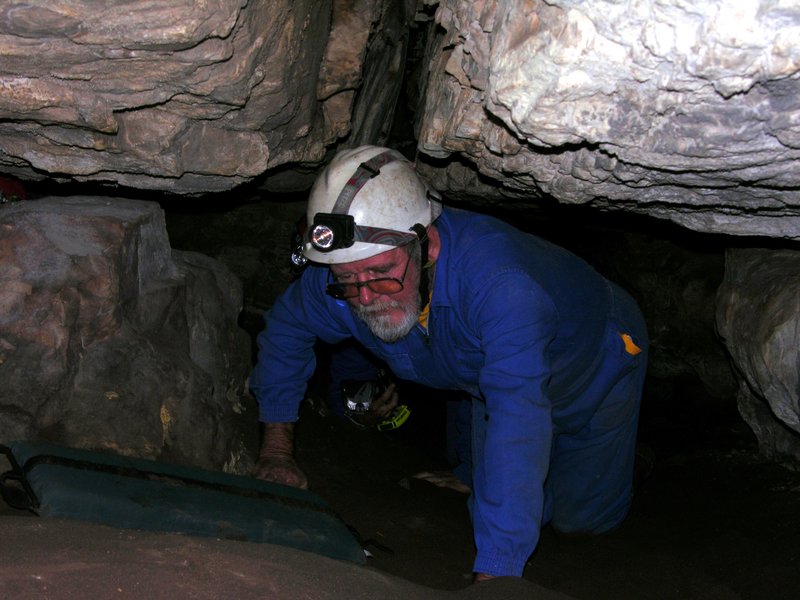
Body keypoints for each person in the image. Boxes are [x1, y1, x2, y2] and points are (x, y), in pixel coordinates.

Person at [250, 145, 648, 581]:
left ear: (427, 241)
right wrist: (276, 450)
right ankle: (495, 479)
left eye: (382, 273)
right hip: (487, 379)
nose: (365, 296)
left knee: (577, 521)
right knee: (499, 488)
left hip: (595, 361)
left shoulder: (501, 287)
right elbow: (286, 331)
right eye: (348, 279)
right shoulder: (350, 278)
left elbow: (517, 416)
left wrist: (497, 571)